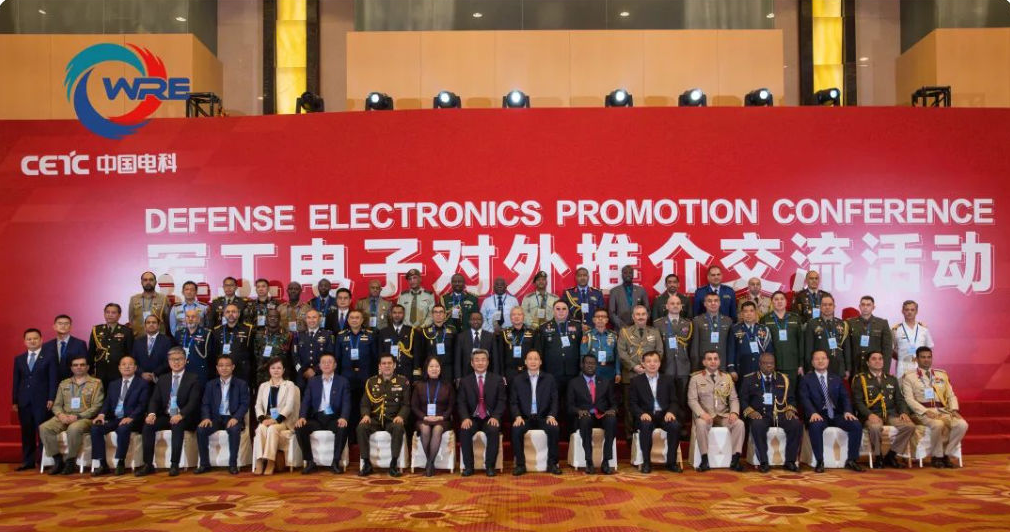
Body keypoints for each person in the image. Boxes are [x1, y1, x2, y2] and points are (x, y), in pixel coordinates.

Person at [137, 347, 201, 477]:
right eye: (173, 359)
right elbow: (154, 400)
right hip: (166, 415)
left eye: (179, 359)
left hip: (185, 417)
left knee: (177, 425)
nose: (176, 362)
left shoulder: (193, 378)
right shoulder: (163, 379)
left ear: (185, 360)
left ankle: (174, 464)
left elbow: (193, 402)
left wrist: (181, 415)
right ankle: (148, 464)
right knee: (148, 425)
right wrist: (151, 414)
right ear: (168, 361)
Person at [900, 347, 968, 468]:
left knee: (962, 425)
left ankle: (946, 453)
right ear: (917, 359)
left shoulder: (941, 374)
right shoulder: (909, 376)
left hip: (942, 410)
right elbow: (909, 399)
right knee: (938, 424)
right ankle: (937, 456)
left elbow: (950, 394)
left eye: (929, 357)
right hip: (922, 412)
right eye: (923, 357)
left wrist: (954, 410)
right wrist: (926, 411)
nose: (926, 360)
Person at [799, 350, 864, 473]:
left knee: (856, 425)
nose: (820, 361)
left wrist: (847, 411)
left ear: (828, 361)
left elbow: (845, 397)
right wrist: (812, 412)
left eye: (823, 358)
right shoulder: (806, 379)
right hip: (818, 415)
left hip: (836, 414)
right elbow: (804, 398)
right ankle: (819, 461)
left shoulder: (836, 378)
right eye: (817, 359)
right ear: (812, 362)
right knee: (815, 426)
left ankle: (852, 460)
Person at [40, 355, 104, 475]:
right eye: (75, 365)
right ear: (71, 368)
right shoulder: (64, 383)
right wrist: (60, 415)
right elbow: (57, 404)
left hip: (84, 418)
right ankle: (58, 460)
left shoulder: (96, 383)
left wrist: (78, 416)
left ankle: (70, 461)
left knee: (74, 429)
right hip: (64, 416)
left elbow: (96, 406)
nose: (79, 367)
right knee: (44, 428)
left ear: (87, 367)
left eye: (82, 365)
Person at [739, 353, 802, 473]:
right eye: (765, 363)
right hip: (760, 415)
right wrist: (750, 412)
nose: (769, 366)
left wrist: (790, 409)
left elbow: (791, 399)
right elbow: (743, 399)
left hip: (780, 414)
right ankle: (763, 462)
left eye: (771, 363)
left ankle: (790, 461)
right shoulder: (750, 379)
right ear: (759, 364)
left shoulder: (783, 379)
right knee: (757, 425)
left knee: (796, 424)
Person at [852, 351, 914, 468]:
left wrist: (903, 412)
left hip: (891, 414)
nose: (878, 361)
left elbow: (899, 399)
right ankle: (878, 457)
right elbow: (857, 402)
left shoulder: (891, 379)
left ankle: (891, 455)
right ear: (868, 363)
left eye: (880, 359)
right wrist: (869, 414)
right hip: (872, 414)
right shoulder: (861, 379)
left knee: (909, 426)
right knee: (875, 427)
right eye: (874, 359)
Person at [91, 355, 149, 476]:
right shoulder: (113, 384)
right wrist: (101, 415)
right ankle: (102, 464)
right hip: (115, 418)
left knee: (123, 428)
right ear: (119, 368)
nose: (127, 367)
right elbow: (107, 402)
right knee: (96, 428)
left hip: (133, 419)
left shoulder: (142, 384)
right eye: (123, 364)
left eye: (130, 364)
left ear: (135, 368)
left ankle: (120, 462)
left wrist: (131, 417)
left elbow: (142, 405)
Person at [688, 351, 745, 472]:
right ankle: (704, 460)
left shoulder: (727, 377)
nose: (713, 361)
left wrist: (734, 413)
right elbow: (692, 400)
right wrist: (702, 414)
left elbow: (734, 399)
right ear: (704, 362)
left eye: (715, 359)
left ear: (719, 361)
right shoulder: (696, 378)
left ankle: (735, 460)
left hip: (722, 415)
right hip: (705, 416)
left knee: (739, 424)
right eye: (709, 359)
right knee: (700, 424)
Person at [295, 353, 351, 475]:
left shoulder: (342, 381)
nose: (326, 364)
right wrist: (302, 417)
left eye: (329, 362)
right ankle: (310, 461)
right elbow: (306, 401)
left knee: (343, 427)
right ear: (319, 366)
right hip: (317, 418)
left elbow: (346, 402)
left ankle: (335, 462)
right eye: (323, 362)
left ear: (335, 365)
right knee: (300, 427)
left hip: (334, 418)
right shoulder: (313, 381)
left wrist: (343, 417)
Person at [628, 351, 683, 473]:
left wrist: (671, 412)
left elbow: (674, 401)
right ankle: (647, 462)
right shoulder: (636, 381)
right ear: (643, 364)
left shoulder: (668, 380)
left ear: (659, 363)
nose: (652, 364)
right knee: (645, 425)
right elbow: (632, 403)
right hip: (646, 416)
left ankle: (671, 462)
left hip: (664, 415)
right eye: (648, 361)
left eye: (655, 361)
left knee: (675, 426)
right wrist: (641, 414)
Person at [509, 350, 562, 476]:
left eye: (536, 359)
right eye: (530, 359)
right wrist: (517, 416)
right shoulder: (517, 380)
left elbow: (555, 400)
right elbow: (513, 402)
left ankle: (552, 464)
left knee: (554, 428)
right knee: (516, 429)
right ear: (525, 362)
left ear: (540, 362)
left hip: (543, 417)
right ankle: (520, 465)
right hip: (525, 418)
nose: (533, 361)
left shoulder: (549, 379)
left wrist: (552, 415)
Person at [357, 354, 411, 477]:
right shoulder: (371, 382)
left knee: (398, 427)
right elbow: (365, 403)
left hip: (393, 419)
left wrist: (401, 416)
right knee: (361, 427)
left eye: (389, 363)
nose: (387, 366)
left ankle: (393, 464)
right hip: (375, 419)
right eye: (384, 363)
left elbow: (406, 404)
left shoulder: (403, 381)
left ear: (394, 365)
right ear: (380, 366)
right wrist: (365, 415)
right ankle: (366, 464)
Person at [195, 355, 250, 475]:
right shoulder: (210, 384)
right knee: (201, 430)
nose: (224, 368)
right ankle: (204, 464)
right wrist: (206, 417)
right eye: (221, 366)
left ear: (233, 367)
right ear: (217, 368)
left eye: (227, 365)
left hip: (232, 417)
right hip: (215, 418)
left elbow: (245, 404)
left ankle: (233, 464)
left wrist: (236, 418)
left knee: (234, 430)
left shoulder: (241, 384)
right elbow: (205, 404)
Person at [12, 328, 57, 471]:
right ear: (24, 341)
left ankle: (44, 460)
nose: (32, 341)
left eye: (35, 338)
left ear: (41, 340)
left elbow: (53, 379)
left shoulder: (49, 357)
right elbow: (16, 381)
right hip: (24, 401)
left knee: (42, 431)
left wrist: (51, 397)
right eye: (29, 339)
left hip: (42, 401)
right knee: (27, 432)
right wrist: (15, 401)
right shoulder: (19, 359)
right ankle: (28, 461)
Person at [457, 349, 505, 477]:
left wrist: (496, 417)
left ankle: (490, 466)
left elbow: (501, 401)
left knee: (493, 429)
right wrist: (465, 418)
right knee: (465, 429)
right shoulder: (465, 381)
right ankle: (468, 467)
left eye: (483, 360)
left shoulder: (497, 380)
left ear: (488, 362)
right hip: (472, 418)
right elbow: (461, 402)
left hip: (490, 417)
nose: (480, 363)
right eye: (477, 360)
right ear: (472, 363)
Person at [617, 305, 662, 438]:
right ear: (633, 317)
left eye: (643, 314)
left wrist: (649, 368)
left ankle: (647, 432)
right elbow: (622, 353)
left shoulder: (654, 332)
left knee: (648, 404)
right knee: (630, 406)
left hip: (650, 376)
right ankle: (630, 434)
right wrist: (634, 367)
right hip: (631, 375)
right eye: (638, 314)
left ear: (647, 316)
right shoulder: (625, 332)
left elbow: (659, 351)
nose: (641, 317)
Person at [568, 355, 617, 475]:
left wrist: (612, 410)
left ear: (597, 366)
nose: (590, 366)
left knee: (611, 420)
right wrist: (578, 411)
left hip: (602, 415)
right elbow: (569, 406)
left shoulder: (605, 382)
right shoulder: (574, 383)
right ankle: (589, 461)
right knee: (585, 420)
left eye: (593, 363)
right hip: (584, 416)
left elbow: (614, 403)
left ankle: (606, 461)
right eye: (587, 363)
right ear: (582, 365)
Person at [538, 300, 582, 433]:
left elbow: (581, 350)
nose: (561, 311)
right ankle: (553, 433)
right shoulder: (544, 328)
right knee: (552, 404)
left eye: (564, 309)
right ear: (553, 311)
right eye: (558, 309)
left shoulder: (577, 326)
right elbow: (540, 352)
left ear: (568, 311)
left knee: (571, 405)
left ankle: (571, 434)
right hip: (552, 374)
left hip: (572, 374)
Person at [252, 356, 299, 475]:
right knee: (260, 429)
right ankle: (259, 461)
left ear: (283, 370)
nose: (276, 370)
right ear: (269, 370)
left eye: (279, 368)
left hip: (283, 420)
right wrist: (262, 419)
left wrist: (276, 420)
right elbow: (258, 405)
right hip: (266, 419)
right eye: (273, 368)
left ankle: (270, 461)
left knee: (272, 429)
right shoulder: (263, 386)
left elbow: (289, 406)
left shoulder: (289, 385)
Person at [411, 357, 455, 476]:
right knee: (425, 428)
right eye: (431, 366)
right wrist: (424, 417)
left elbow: (451, 407)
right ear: (426, 368)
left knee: (437, 429)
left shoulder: (447, 386)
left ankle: (429, 463)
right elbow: (414, 406)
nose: (434, 369)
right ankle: (430, 462)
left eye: (437, 366)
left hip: (442, 420)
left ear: (440, 369)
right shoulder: (419, 385)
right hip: (423, 419)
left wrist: (442, 417)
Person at [653, 296, 694, 423]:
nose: (675, 305)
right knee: (666, 397)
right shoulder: (658, 323)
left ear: (681, 307)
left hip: (683, 366)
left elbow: (691, 347)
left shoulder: (688, 323)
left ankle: (681, 426)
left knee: (682, 398)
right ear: (667, 306)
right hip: (666, 366)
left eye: (678, 303)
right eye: (672, 303)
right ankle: (667, 424)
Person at [337, 310, 378, 427]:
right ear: (348, 320)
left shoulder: (370, 335)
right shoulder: (341, 336)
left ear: (362, 320)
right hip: (346, 377)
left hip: (365, 377)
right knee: (348, 407)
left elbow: (375, 358)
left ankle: (363, 432)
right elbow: (337, 359)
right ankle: (349, 435)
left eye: (357, 317)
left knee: (365, 406)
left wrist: (374, 377)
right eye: (352, 318)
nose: (354, 320)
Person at [760, 291, 804, 386]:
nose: (779, 301)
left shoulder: (795, 318)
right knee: (776, 391)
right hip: (772, 364)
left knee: (791, 392)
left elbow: (801, 342)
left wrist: (801, 364)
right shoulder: (765, 319)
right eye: (776, 299)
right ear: (772, 302)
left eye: (782, 299)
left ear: (786, 301)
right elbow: (762, 344)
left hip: (792, 364)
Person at [803, 295, 852, 379]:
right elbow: (809, 348)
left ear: (834, 306)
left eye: (830, 304)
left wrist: (848, 368)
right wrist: (809, 368)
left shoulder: (843, 324)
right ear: (820, 307)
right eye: (824, 305)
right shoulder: (812, 324)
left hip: (838, 366)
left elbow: (847, 348)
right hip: (819, 366)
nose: (827, 307)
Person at [209, 303, 255, 386]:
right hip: (223, 372)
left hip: (241, 372)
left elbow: (251, 353)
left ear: (238, 314)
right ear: (224, 314)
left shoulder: (248, 330)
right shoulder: (217, 330)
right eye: (228, 312)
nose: (230, 314)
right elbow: (214, 354)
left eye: (233, 312)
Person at [728, 301, 774, 383]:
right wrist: (731, 369)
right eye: (745, 311)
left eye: (751, 311)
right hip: (742, 369)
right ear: (742, 314)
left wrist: (769, 367)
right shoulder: (735, 329)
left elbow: (769, 351)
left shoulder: (764, 329)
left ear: (756, 313)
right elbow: (731, 350)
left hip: (760, 368)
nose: (748, 314)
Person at [88, 303, 134, 386]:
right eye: (107, 312)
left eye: (113, 313)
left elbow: (130, 352)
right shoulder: (97, 330)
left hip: (119, 370)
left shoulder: (126, 331)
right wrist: (90, 370)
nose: (110, 315)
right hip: (101, 370)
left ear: (119, 315)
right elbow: (91, 352)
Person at [847, 296, 893, 374]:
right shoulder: (850, 323)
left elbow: (887, 349)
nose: (865, 307)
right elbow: (847, 347)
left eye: (868, 305)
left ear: (873, 307)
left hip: (875, 367)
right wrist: (848, 368)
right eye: (863, 304)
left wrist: (885, 370)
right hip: (855, 367)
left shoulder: (882, 323)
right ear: (859, 306)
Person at [891, 300, 934, 378]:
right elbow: (890, 349)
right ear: (902, 311)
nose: (909, 312)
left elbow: (929, 348)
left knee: (922, 385)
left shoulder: (923, 329)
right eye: (907, 310)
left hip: (921, 367)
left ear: (916, 311)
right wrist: (901, 357)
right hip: (903, 368)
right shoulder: (896, 330)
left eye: (912, 310)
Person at [293, 309, 334, 389]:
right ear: (305, 320)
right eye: (309, 317)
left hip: (321, 375)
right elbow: (295, 356)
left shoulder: (327, 335)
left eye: (314, 317)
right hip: (302, 377)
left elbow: (329, 355)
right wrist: (302, 371)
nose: (311, 320)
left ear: (319, 319)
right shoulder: (298, 335)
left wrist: (315, 370)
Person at [691, 293, 732, 372]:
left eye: (716, 301)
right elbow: (694, 347)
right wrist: (695, 368)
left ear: (719, 303)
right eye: (709, 301)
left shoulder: (728, 321)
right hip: (703, 365)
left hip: (722, 365)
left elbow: (730, 347)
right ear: (705, 304)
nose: (713, 303)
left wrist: (730, 366)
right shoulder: (697, 321)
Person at [41, 315, 87, 385]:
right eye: (60, 323)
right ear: (54, 326)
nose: (63, 326)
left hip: (74, 383)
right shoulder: (46, 346)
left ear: (70, 327)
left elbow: (84, 366)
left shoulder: (80, 344)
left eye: (66, 323)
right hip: (52, 383)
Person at [378, 304, 419, 381]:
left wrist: (416, 372)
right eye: (394, 313)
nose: (397, 315)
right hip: (389, 371)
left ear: (404, 314)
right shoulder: (383, 332)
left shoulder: (411, 331)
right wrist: (380, 371)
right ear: (391, 314)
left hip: (407, 371)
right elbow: (380, 353)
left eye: (400, 313)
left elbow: (416, 354)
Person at [253, 308, 293, 387]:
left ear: (279, 319)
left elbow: (289, 357)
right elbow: (255, 354)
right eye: (270, 316)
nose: (273, 319)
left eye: (275, 317)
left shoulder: (287, 335)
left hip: (281, 376)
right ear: (266, 318)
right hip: (262, 375)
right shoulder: (259, 335)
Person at [581, 309, 620, 388]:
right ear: (593, 320)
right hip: (593, 370)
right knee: (593, 394)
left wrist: (618, 372)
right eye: (598, 316)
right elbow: (583, 356)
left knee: (609, 393)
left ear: (607, 320)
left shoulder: (613, 335)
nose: (600, 319)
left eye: (603, 316)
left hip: (610, 370)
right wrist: (583, 372)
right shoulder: (587, 335)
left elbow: (617, 356)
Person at [498, 306, 536, 384]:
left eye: (519, 314)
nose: (516, 316)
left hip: (528, 371)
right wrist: (502, 374)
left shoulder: (532, 332)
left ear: (523, 316)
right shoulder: (504, 333)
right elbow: (501, 356)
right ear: (510, 317)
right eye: (514, 314)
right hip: (510, 373)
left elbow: (537, 354)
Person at [131, 314, 173, 384]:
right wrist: (142, 373)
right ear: (145, 326)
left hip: (160, 380)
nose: (151, 324)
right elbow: (133, 361)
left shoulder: (167, 341)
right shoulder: (137, 341)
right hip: (141, 380)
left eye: (154, 322)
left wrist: (154, 373)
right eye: (148, 322)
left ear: (158, 325)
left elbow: (168, 361)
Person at [455, 312, 496, 382]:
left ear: (482, 321)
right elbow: (458, 359)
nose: (476, 321)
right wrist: (458, 376)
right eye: (473, 319)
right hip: (466, 374)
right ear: (469, 321)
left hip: (487, 374)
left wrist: (495, 376)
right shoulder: (461, 337)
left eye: (478, 319)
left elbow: (495, 358)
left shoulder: (490, 336)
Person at [419, 305, 456, 382]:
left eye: (441, 312)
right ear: (432, 315)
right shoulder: (425, 332)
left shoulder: (452, 331)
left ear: (445, 315)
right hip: (431, 369)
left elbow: (456, 353)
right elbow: (421, 354)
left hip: (448, 370)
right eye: (435, 312)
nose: (438, 314)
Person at [175, 309, 211, 386]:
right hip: (182, 371)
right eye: (188, 317)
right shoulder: (178, 333)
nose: (190, 319)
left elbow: (210, 356)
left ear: (198, 319)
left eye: (193, 317)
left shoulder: (207, 334)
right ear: (185, 319)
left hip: (199, 373)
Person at [609, 265, 649, 330]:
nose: (628, 275)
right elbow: (611, 313)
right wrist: (622, 325)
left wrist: (639, 323)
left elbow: (647, 310)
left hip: (638, 328)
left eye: (630, 273)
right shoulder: (614, 291)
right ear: (622, 275)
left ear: (633, 275)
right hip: (620, 329)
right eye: (625, 273)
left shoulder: (641, 290)